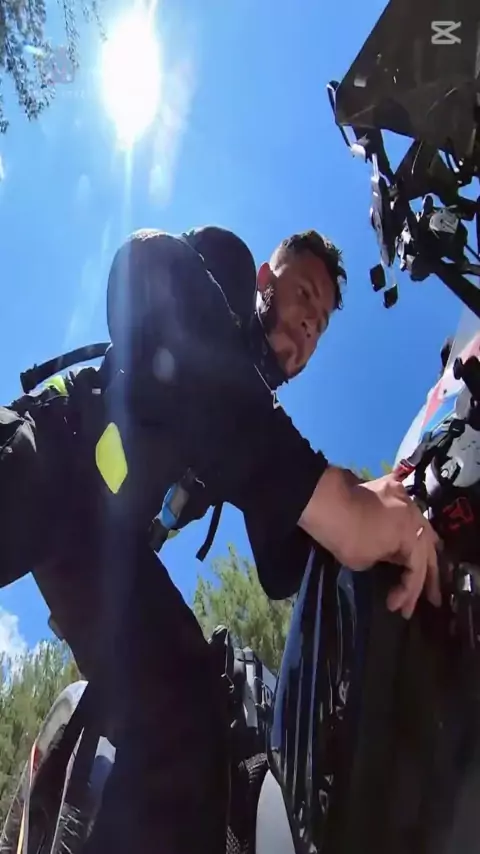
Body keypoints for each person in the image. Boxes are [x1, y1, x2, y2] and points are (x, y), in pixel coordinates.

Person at [0, 226, 440, 853]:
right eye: (304, 295)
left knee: (190, 708)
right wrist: (342, 505)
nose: (309, 324)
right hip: (51, 449)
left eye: (320, 324)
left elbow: (283, 563)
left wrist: (375, 506)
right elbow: (147, 263)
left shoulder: (250, 429)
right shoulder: (220, 278)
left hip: (100, 546)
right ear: (265, 280)